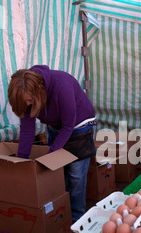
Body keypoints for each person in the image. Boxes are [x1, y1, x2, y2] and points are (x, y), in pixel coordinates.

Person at [8, 65, 97, 223]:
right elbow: (27, 130)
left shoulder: (61, 85)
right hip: (56, 127)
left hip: (80, 127)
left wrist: (51, 155)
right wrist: (21, 161)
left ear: (39, 91)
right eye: (24, 102)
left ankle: (77, 217)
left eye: (29, 101)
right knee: (57, 174)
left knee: (76, 175)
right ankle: (60, 213)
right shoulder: (25, 96)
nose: (28, 104)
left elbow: (68, 125)